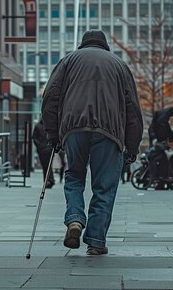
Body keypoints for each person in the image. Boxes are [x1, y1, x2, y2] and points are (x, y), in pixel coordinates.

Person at [42, 30, 143, 256]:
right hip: (110, 131)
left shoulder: (68, 61)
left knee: (74, 175)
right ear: (105, 46)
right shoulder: (119, 65)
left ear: (83, 44)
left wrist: (52, 134)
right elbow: (132, 109)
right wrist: (132, 145)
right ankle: (96, 241)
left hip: (74, 127)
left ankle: (75, 219)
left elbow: (50, 96)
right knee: (104, 186)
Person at [32, 120, 55, 189]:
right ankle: (48, 180)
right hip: (42, 149)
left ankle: (49, 180)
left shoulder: (49, 125)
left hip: (49, 148)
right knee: (45, 165)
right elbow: (34, 137)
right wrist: (39, 145)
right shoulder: (38, 126)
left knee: (48, 164)